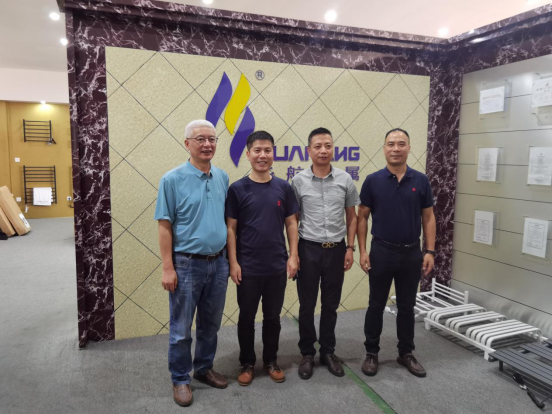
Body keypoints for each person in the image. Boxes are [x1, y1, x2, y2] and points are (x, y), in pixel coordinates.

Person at [155, 120, 230, 407]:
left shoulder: (222, 177)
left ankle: (203, 368)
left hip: (218, 263)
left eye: (212, 139)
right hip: (186, 265)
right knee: (181, 328)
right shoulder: (171, 180)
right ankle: (180, 378)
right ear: (187, 144)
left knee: (211, 324)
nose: (207, 144)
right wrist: (168, 267)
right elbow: (164, 226)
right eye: (200, 139)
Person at [357, 128, 436, 378]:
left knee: (406, 306)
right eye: (391, 144)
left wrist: (430, 251)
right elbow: (362, 217)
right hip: (381, 251)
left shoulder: (421, 181)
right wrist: (362, 250)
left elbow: (429, 217)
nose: (396, 148)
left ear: (409, 148)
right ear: (384, 149)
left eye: (401, 144)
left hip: (411, 253)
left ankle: (406, 352)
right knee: (376, 305)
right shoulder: (372, 180)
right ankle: (371, 352)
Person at [226, 130, 299, 386]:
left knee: (272, 318)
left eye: (267, 150)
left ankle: (271, 361)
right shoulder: (237, 189)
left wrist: (293, 256)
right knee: (246, 318)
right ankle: (247, 362)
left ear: (273, 154)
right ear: (248, 154)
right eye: (257, 150)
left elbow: (291, 224)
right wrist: (233, 262)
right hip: (247, 267)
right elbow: (231, 229)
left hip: (276, 265)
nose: (262, 155)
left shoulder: (284, 188)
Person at [291, 127, 360, 380]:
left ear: (333, 149)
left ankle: (328, 352)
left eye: (328, 146)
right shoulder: (298, 181)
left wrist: (350, 247)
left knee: (330, 304)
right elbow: (293, 220)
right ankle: (307, 353)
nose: (323, 150)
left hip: (337, 250)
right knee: (307, 305)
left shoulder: (345, 179)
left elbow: (352, 217)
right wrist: (294, 254)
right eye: (318, 146)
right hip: (308, 249)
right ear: (309, 150)